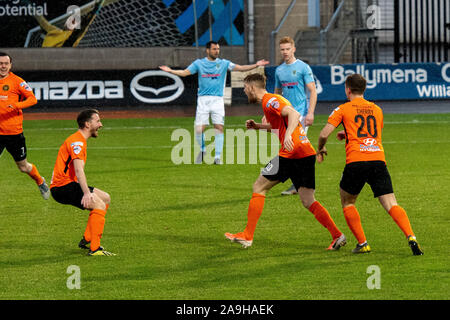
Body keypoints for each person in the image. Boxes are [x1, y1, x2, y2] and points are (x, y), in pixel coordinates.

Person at [225, 73, 346, 250]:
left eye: (245, 88)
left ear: (251, 87)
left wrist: (288, 135)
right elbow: (281, 124)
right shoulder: (271, 102)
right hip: (305, 152)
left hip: (292, 152)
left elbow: (294, 114)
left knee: (259, 187)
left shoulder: (269, 100)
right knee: (307, 199)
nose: (244, 91)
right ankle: (337, 235)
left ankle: (247, 235)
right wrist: (259, 127)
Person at [316, 73, 423, 255]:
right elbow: (369, 134)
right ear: (364, 90)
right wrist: (347, 134)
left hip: (356, 161)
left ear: (348, 90)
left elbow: (324, 134)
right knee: (391, 203)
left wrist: (321, 148)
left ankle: (363, 243)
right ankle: (411, 236)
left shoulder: (343, 108)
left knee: (348, 202)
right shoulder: (377, 109)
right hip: (377, 160)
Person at [159, 41, 269, 164]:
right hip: (203, 100)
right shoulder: (199, 64)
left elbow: (241, 68)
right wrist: (170, 71)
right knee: (199, 129)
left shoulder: (223, 63)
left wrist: (256, 65)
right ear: (207, 50)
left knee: (218, 127)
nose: (217, 51)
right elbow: (185, 73)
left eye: (218, 49)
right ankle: (202, 150)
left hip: (217, 100)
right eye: (214, 49)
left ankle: (217, 157)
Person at [50, 109, 115, 256]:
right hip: (62, 187)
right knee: (98, 204)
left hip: (65, 185)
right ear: (87, 124)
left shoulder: (78, 139)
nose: (101, 124)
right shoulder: (77, 142)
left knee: (105, 198)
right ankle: (95, 249)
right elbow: (79, 171)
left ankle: (87, 238)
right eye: (97, 121)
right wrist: (86, 193)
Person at [0, 52, 50, 200]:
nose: (2, 66)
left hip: (14, 134)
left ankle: (40, 181)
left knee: (23, 167)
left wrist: (16, 105)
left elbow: (32, 99)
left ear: (10, 65)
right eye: (0, 63)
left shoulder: (17, 81)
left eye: (5, 63)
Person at [274, 36, 318, 195]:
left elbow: (312, 90)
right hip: (286, 114)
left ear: (294, 49)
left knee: (293, 148)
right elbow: (277, 93)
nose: (285, 52)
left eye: (287, 49)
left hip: (300, 114)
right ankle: (300, 183)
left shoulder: (303, 67)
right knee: (294, 149)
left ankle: (297, 184)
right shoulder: (279, 70)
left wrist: (311, 113)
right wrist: (271, 113)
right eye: (282, 49)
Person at [33, 0, 105, 47]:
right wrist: (31, 8)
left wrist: (94, 13)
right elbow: (42, 22)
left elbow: (84, 27)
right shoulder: (55, 31)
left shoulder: (73, 38)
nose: (71, 22)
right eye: (70, 20)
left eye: (74, 21)